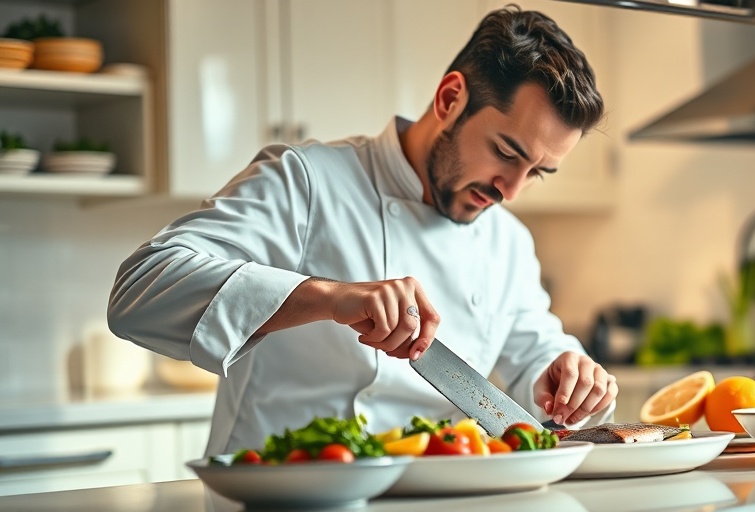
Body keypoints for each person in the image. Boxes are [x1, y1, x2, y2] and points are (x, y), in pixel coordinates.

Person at [107, 5, 617, 456]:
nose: (512, 190)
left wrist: (569, 376)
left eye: (538, 172)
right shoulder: (307, 180)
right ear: (450, 99)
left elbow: (537, 360)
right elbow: (139, 290)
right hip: (284, 492)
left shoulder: (507, 241)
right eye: (506, 153)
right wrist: (328, 297)